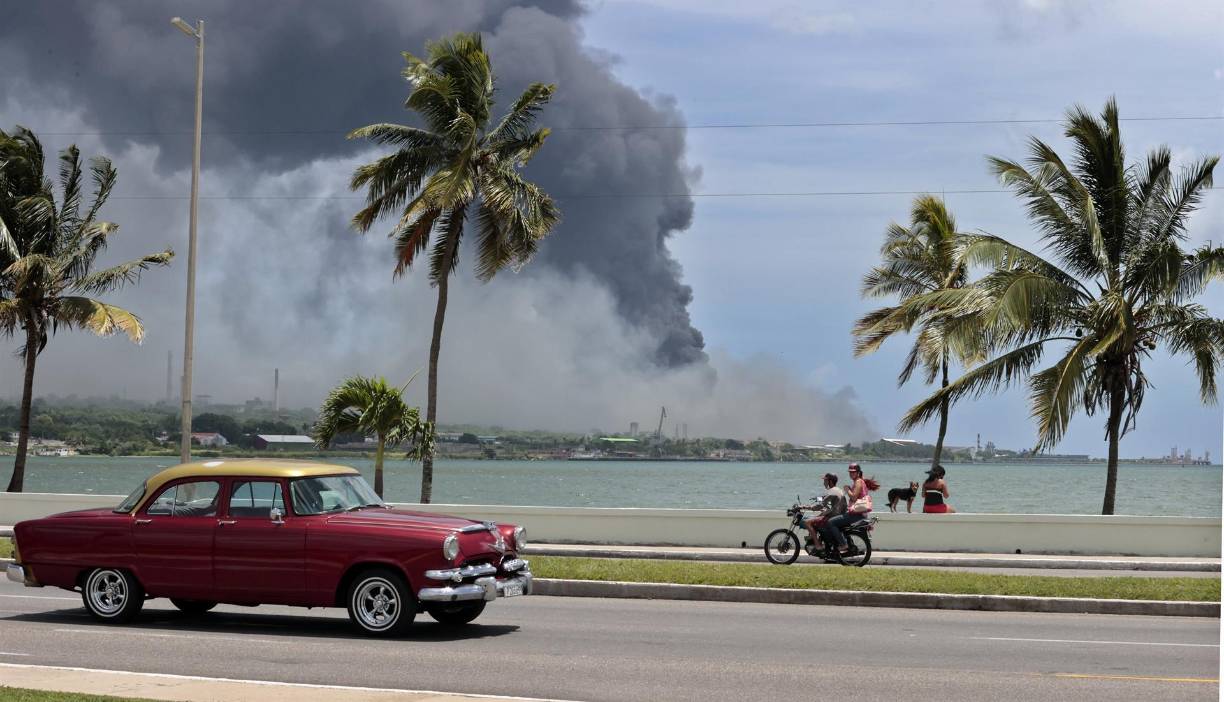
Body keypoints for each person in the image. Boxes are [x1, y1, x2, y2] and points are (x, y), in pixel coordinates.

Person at [820, 463, 880, 553]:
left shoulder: (858, 482)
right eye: (850, 472)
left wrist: (847, 489)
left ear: (858, 472)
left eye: (853, 472)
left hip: (857, 515)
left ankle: (843, 544)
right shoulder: (860, 481)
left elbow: (854, 497)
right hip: (857, 513)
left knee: (831, 522)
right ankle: (842, 543)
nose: (851, 474)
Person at [799, 472, 845, 552]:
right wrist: (820, 501)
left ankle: (818, 545)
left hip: (832, 517)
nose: (824, 482)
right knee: (817, 518)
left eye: (825, 480)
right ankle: (818, 539)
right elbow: (829, 501)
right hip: (838, 515)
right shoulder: (838, 490)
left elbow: (820, 505)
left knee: (807, 522)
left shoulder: (832, 491)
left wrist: (806, 507)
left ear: (830, 481)